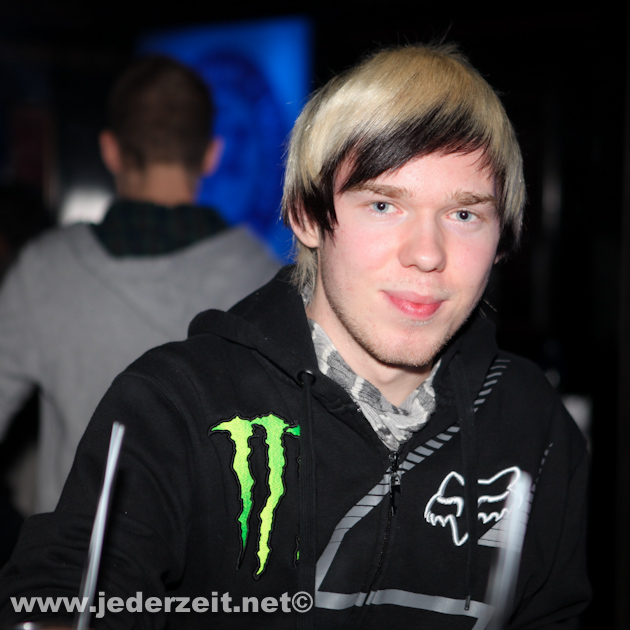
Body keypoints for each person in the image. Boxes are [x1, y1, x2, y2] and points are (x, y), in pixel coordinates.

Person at [0, 43, 589, 629]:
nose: (428, 253)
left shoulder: (533, 426)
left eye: (464, 215)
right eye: (384, 205)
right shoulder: (175, 404)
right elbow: (65, 583)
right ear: (305, 216)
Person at [0, 56, 279, 515]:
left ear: (110, 150)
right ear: (212, 154)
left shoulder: (42, 269)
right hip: (207, 559)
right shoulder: (266, 280)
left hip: (73, 556)